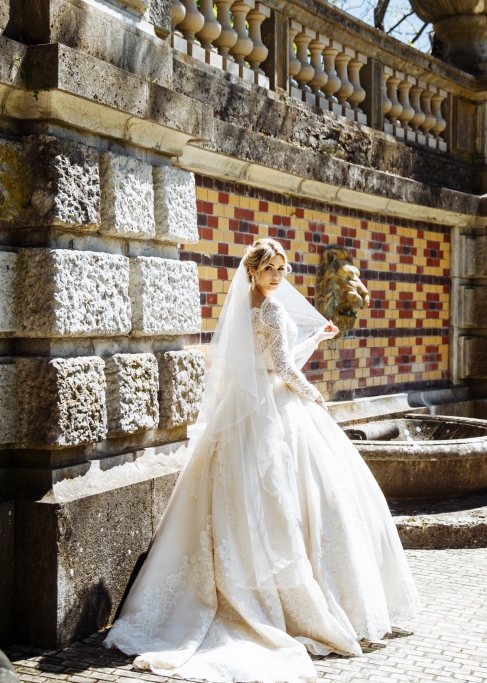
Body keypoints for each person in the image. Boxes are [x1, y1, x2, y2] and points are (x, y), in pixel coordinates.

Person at [104, 238, 420, 682]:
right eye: (269, 268)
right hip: (273, 412)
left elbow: (268, 363)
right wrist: (314, 394)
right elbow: (284, 369)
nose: (277, 276)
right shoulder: (270, 309)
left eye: (282, 268)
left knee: (244, 496)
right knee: (295, 496)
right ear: (252, 270)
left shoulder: (248, 306)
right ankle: (293, 599)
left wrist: (315, 337)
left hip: (246, 409)